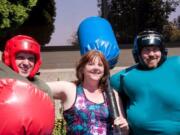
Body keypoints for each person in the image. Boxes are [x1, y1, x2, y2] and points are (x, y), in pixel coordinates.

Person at [110, 30, 180, 134]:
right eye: (146, 50)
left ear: (162, 51)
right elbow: (110, 89)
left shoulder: (176, 64)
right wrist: (121, 117)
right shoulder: (124, 76)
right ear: (138, 53)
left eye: (155, 49)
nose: (151, 54)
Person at [47, 50, 129, 135]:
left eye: (100, 65)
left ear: (104, 70)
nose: (96, 68)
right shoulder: (70, 89)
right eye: (91, 64)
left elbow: (123, 131)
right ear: (82, 68)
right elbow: (38, 86)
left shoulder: (112, 94)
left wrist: (124, 128)